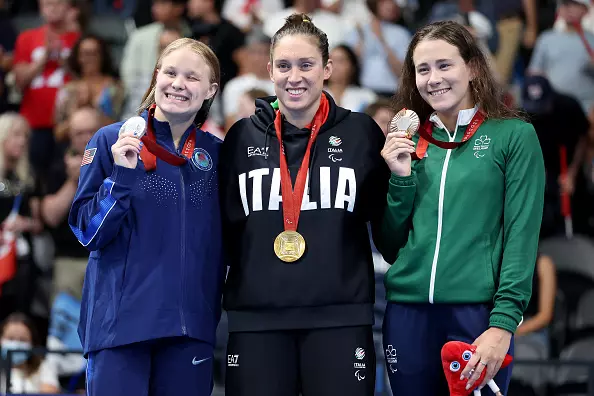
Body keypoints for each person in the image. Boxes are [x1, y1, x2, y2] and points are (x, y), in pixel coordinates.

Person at [219, 13, 391, 396]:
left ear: (327, 68)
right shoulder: (242, 137)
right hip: (256, 321)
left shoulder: (360, 132)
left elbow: (388, 231)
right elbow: (227, 234)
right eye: (284, 65)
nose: (294, 76)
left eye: (306, 64)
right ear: (269, 70)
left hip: (340, 318)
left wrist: (404, 177)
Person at [378, 20, 545, 395]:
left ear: (471, 68)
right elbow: (390, 245)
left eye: (444, 65)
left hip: (478, 316)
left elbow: (521, 236)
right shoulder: (408, 141)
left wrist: (503, 325)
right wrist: (401, 177)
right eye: (423, 69)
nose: (433, 78)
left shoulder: (513, 136)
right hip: (406, 315)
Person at [68, 38, 224, 396]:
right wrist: (121, 179)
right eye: (170, 72)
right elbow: (87, 233)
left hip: (190, 330)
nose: (178, 84)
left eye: (191, 77)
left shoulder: (218, 156)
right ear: (156, 77)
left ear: (211, 90)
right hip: (119, 328)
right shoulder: (111, 140)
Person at [0, 312, 60, 393]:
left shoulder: (43, 367)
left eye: (23, 340)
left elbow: (50, 391)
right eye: (10, 338)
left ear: (32, 343)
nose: (17, 344)